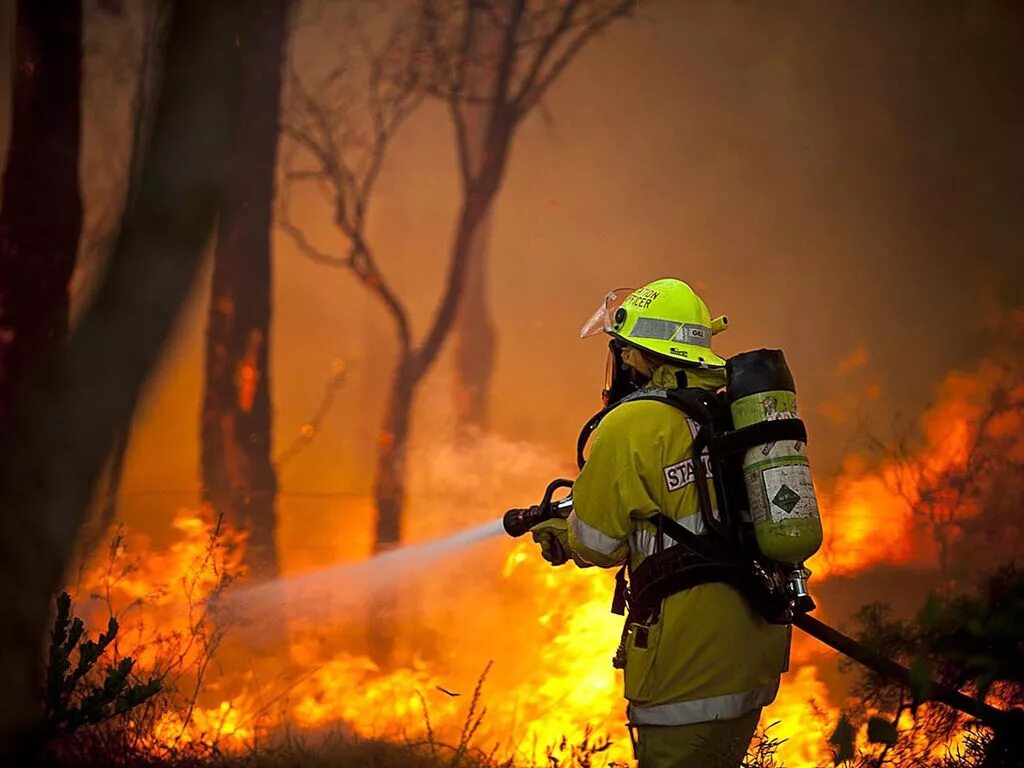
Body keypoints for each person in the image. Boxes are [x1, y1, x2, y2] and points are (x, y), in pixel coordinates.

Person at [530, 278, 790, 767]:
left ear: (641, 356)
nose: (622, 363)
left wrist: (561, 535)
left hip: (684, 664)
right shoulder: (733, 409)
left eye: (625, 352)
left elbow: (598, 545)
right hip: (753, 655)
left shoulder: (630, 424)